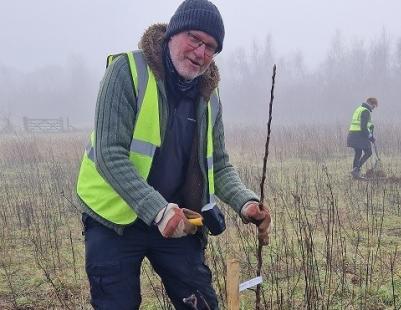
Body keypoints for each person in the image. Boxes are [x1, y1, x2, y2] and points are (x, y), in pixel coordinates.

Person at [75, 0, 271, 309]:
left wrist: (245, 202)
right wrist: (158, 210)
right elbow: (109, 154)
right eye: (194, 39)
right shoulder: (127, 72)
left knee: (201, 303)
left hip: (179, 219)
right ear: (173, 33)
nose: (201, 52)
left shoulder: (209, 94)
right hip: (114, 219)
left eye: (211, 47)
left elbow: (218, 163)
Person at [346, 97, 378, 179]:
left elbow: (363, 124)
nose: (373, 109)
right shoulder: (365, 111)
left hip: (352, 134)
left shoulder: (359, 109)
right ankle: (356, 170)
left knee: (358, 153)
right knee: (368, 152)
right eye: (374, 106)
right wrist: (371, 137)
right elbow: (363, 127)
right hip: (359, 135)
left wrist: (370, 127)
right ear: (371, 104)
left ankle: (355, 173)